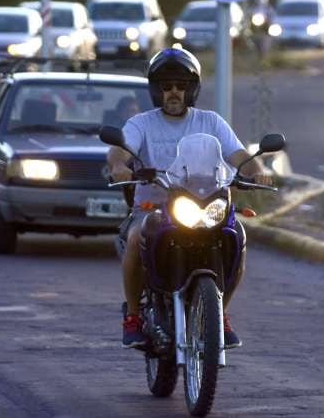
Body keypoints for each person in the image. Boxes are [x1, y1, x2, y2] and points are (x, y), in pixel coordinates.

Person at [106, 47, 272, 349]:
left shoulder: (211, 121)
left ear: (191, 90)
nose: (173, 93)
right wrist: (118, 165)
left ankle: (220, 313)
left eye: (180, 87)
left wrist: (257, 170)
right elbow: (121, 149)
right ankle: (132, 316)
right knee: (134, 238)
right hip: (153, 207)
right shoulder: (141, 123)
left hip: (206, 205)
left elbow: (239, 155)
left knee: (237, 236)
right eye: (166, 86)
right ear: (156, 90)